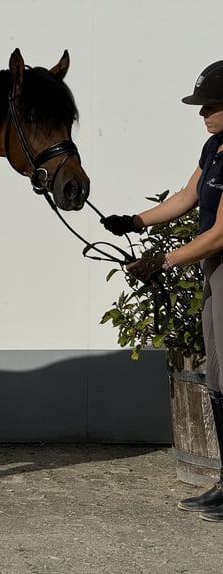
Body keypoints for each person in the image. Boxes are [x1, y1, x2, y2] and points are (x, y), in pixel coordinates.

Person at [102, 59, 223, 523]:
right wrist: (133, 221)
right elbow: (186, 197)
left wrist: (164, 260)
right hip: (215, 268)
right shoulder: (214, 147)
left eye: (208, 105)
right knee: (217, 376)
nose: (201, 113)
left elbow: (220, 232)